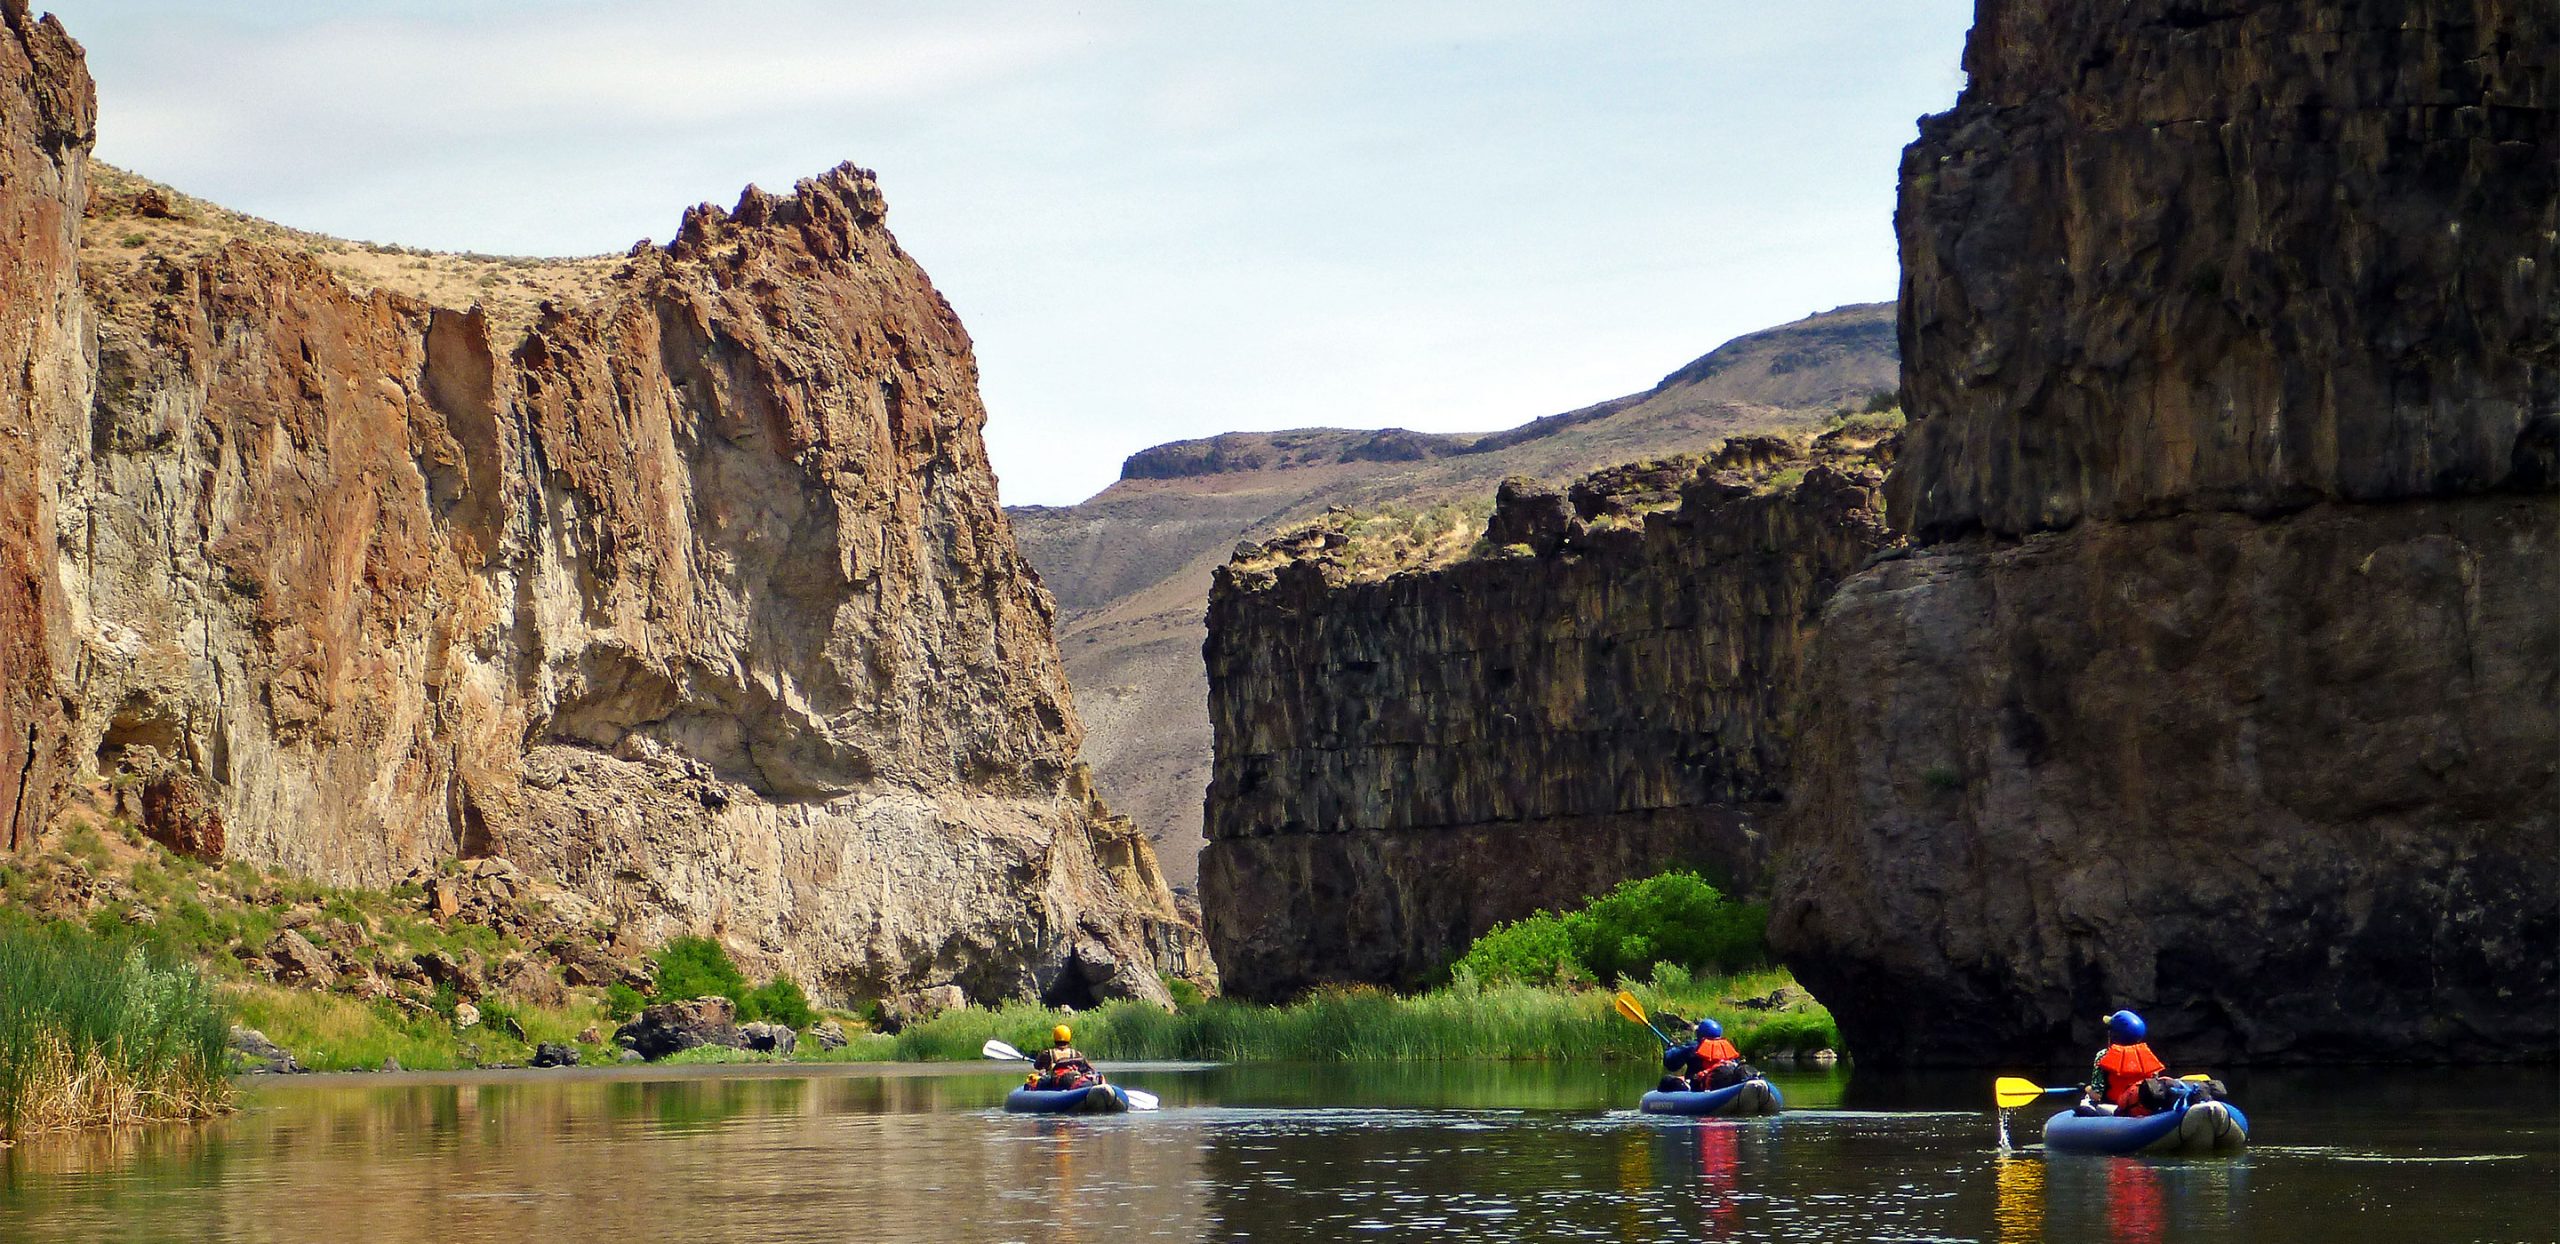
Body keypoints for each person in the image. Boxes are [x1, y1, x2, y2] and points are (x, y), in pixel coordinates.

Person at [2079, 1009, 2167, 1116]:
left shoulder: (2103, 1055)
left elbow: (2097, 1095)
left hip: (2116, 1109)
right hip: (2143, 1108)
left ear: (2114, 1034)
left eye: (2110, 1029)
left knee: (2086, 1102)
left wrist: (2085, 1088)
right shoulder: (2148, 1056)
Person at [1659, 1018, 1746, 1092]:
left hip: (1698, 1087)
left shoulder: (1694, 1047)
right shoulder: (1727, 1047)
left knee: (1666, 1080)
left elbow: (1670, 1063)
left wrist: (1670, 1049)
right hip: (1724, 1085)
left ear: (1700, 1033)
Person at [1028, 1024, 1097, 1091]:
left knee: (1043, 1079)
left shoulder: (1047, 1054)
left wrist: (1046, 1067)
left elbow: (1036, 1066)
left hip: (1057, 1083)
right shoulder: (1077, 1054)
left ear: (1055, 1037)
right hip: (1073, 1080)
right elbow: (1087, 1068)